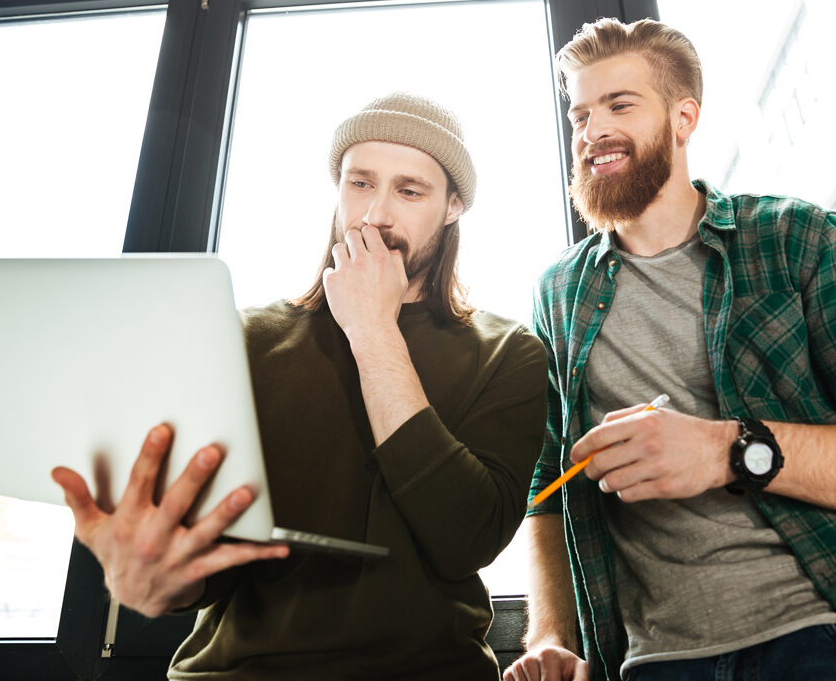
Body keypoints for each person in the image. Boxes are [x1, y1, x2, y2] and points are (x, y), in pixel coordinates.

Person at [505, 18, 836, 681]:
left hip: (828, 637)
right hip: (655, 663)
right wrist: (551, 637)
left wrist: (729, 450)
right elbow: (549, 489)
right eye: (580, 113)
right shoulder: (558, 293)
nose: (591, 130)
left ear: (684, 117)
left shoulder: (799, 238)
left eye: (619, 105)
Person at [52, 92, 548, 680]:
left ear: (452, 207)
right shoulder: (245, 337)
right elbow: (208, 564)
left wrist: (372, 331)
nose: (375, 215)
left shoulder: (508, 352)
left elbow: (466, 540)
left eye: (409, 191)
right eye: (359, 183)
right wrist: (161, 582)